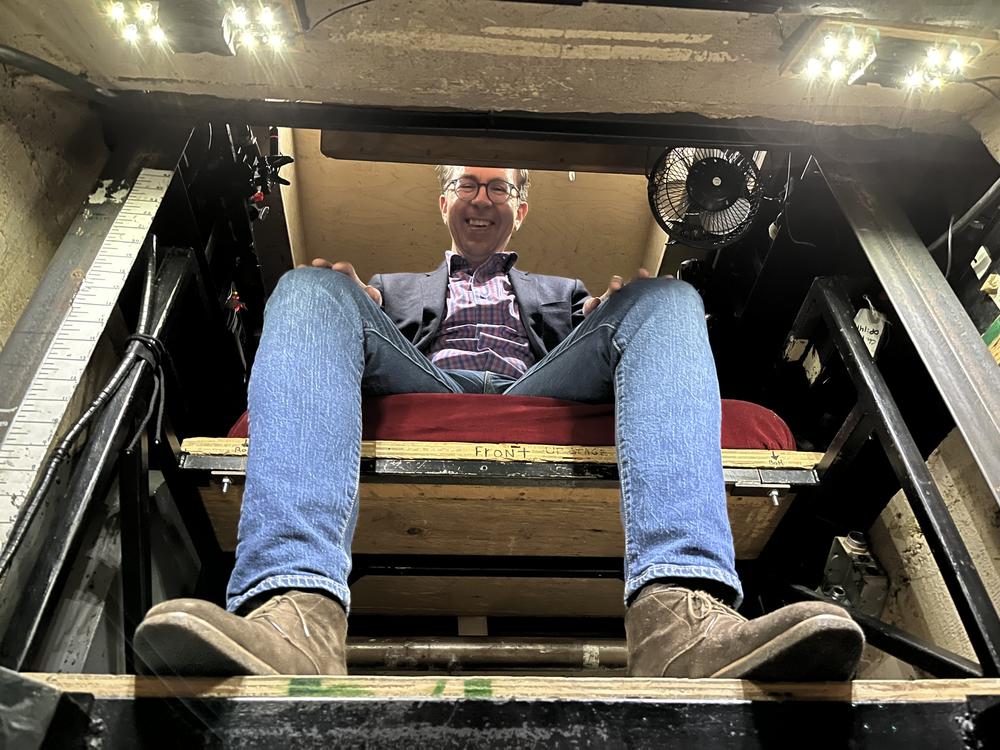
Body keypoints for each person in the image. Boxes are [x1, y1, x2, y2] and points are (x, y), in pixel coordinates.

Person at [134, 165, 864, 680]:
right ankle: (294, 612)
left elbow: (599, 345)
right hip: (426, 372)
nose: (481, 199)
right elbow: (357, 333)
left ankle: (680, 617)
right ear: (443, 198)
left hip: (538, 384)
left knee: (665, 298)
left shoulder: (560, 290)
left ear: (522, 206)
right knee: (307, 285)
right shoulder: (393, 289)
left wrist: (608, 311)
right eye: (467, 185)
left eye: (500, 188)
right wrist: (345, 298)